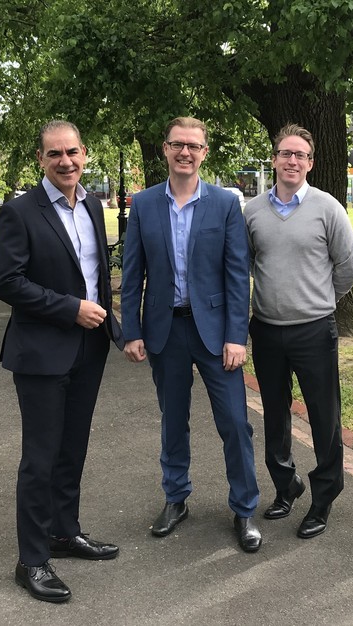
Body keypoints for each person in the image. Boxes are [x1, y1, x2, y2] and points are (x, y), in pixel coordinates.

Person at [0, 120, 125, 603]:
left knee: (73, 449)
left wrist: (109, 320)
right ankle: (31, 559)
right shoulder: (20, 211)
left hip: (89, 349)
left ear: (85, 154)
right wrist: (71, 309)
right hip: (41, 353)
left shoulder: (92, 204)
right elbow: (7, 282)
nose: (65, 161)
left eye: (72, 152)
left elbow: (95, 272)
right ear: (40, 160)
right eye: (55, 154)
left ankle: (64, 532)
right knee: (40, 457)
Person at [121, 116, 262, 553]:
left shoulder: (224, 204)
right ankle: (176, 498)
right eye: (177, 144)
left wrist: (237, 336)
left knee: (236, 423)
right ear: (165, 149)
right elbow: (132, 273)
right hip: (166, 331)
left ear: (204, 152)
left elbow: (238, 275)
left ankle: (244, 508)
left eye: (193, 146)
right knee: (172, 421)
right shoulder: (143, 204)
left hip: (218, 334)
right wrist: (131, 330)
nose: (185, 152)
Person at [244, 124, 353, 539]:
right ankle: (285, 485)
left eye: (300, 155)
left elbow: (349, 266)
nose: (292, 161)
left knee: (323, 417)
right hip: (267, 331)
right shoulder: (253, 211)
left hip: (314, 331)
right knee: (274, 415)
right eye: (285, 153)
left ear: (310, 162)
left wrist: (317, 299)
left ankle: (324, 497)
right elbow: (243, 266)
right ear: (274, 159)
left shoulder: (328, 208)